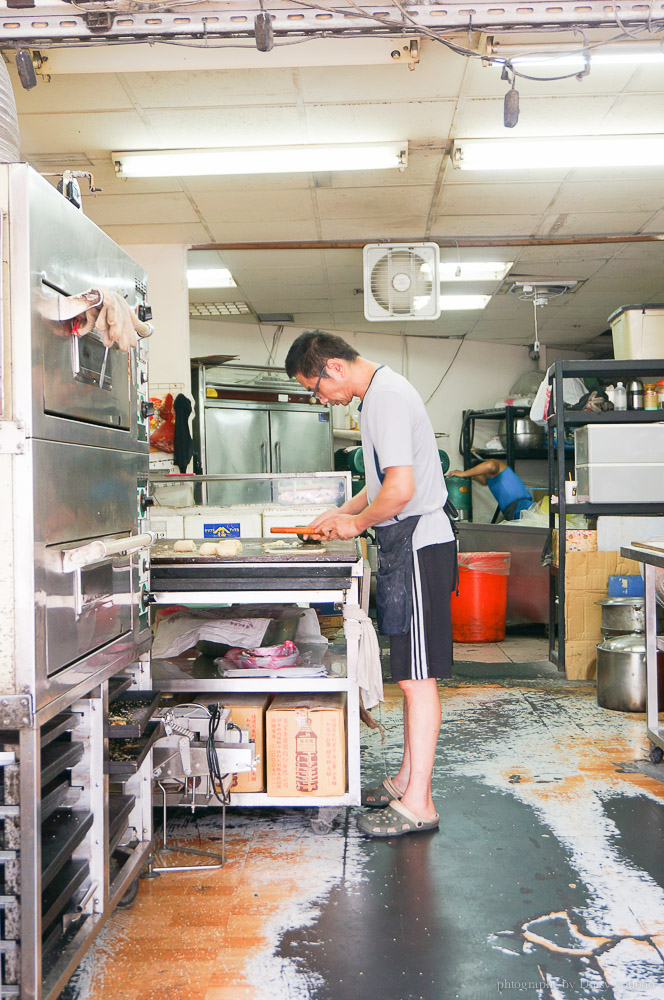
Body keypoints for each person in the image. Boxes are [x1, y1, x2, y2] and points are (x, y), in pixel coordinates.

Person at [285, 331, 457, 839]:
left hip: (420, 544)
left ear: (334, 368)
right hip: (409, 546)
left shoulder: (385, 398)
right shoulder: (380, 394)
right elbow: (382, 483)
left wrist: (356, 526)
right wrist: (342, 511)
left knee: (417, 679)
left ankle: (420, 803)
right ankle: (407, 779)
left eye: (316, 389)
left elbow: (401, 492)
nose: (321, 400)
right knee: (411, 675)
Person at [447, 458, 532, 521]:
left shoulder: (495, 465)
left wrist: (464, 474)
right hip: (513, 510)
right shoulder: (492, 480)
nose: (477, 480)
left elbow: (489, 465)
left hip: (521, 507)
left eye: (476, 476)